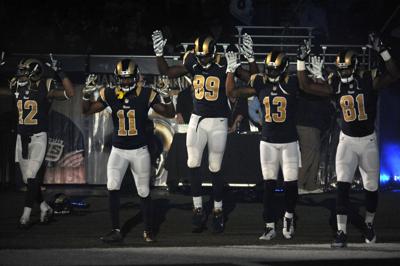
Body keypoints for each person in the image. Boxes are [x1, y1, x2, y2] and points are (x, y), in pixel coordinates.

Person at [296, 34, 400, 248]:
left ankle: (369, 224)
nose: (342, 72)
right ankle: (341, 232)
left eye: (345, 68)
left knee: (371, 188)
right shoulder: (334, 83)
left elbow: (395, 75)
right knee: (342, 187)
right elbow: (305, 86)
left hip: (368, 141)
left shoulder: (368, 79)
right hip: (347, 142)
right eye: (340, 68)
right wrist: (300, 60)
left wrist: (384, 52)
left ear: (354, 67)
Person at [151, 30, 257, 233]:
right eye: (199, 56)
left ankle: (217, 210)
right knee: (192, 163)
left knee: (215, 167)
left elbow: (253, 78)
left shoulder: (224, 63)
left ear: (214, 53)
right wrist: (158, 54)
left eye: (205, 56)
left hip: (217, 120)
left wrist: (250, 58)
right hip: (197, 119)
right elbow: (168, 72)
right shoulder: (193, 62)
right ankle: (198, 208)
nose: (201, 59)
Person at [82, 59, 175, 243]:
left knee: (143, 191)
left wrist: (167, 96)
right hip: (118, 151)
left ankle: (148, 230)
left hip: (139, 151)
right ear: (117, 78)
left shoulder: (146, 94)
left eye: (128, 79)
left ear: (136, 77)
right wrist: (86, 95)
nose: (125, 82)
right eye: (122, 79)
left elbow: (170, 113)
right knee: (112, 187)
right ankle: (116, 230)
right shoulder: (109, 93)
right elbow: (88, 110)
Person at [226, 50, 300, 241]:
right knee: (268, 186)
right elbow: (232, 92)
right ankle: (269, 225)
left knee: (291, 185)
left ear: (284, 69)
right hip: (267, 142)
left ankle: (289, 218)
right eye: (269, 70)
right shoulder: (260, 83)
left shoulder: (292, 83)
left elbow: (308, 85)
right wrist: (231, 69)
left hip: (289, 141)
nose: (272, 74)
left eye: (275, 70)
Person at [7, 55, 75, 228]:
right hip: (21, 137)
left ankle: (25, 216)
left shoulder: (46, 86)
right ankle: (45, 207)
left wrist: (60, 71)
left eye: (24, 73)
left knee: (31, 177)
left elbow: (70, 93)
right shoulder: (16, 84)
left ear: (35, 73)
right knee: (27, 180)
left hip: (38, 136)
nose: (20, 76)